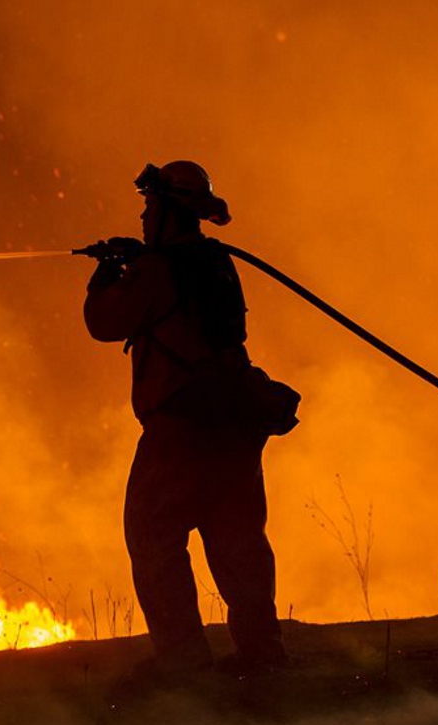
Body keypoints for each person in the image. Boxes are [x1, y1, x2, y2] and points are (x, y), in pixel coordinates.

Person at [83, 161, 288, 676]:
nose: (144, 216)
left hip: (181, 429)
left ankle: (183, 662)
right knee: (238, 539)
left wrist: (106, 276)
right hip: (233, 424)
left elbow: (106, 322)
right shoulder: (217, 262)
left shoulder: (157, 270)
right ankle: (262, 654)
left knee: (153, 535)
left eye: (151, 206)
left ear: (171, 210)